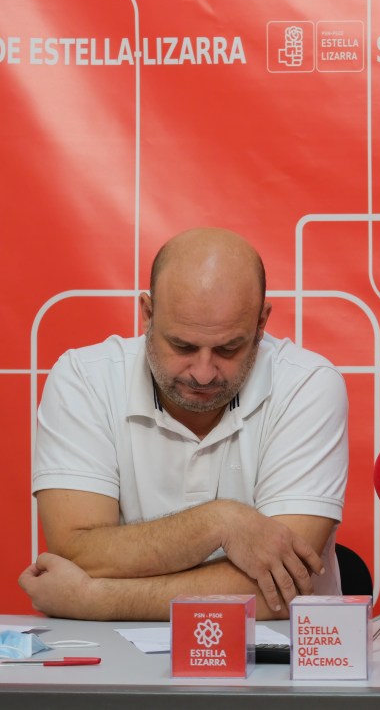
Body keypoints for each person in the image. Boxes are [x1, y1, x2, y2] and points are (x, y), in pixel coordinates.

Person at [19, 228, 348, 621]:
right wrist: (218, 522)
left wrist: (96, 599)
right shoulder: (84, 379)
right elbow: (76, 551)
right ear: (147, 314)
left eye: (229, 348)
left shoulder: (308, 385)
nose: (203, 373)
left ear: (261, 323)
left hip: (278, 656)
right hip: (112, 654)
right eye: (182, 346)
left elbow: (283, 587)